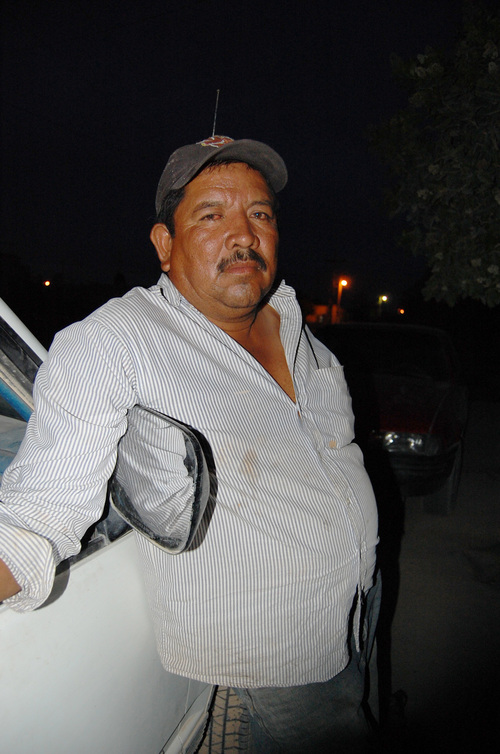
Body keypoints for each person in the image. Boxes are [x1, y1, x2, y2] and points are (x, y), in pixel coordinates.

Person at [0, 135, 379, 752]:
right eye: (211, 215)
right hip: (278, 649)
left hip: (359, 594)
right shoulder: (115, 343)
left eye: (260, 214)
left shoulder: (297, 329)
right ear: (164, 244)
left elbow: (334, 450)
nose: (244, 234)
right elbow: (39, 511)